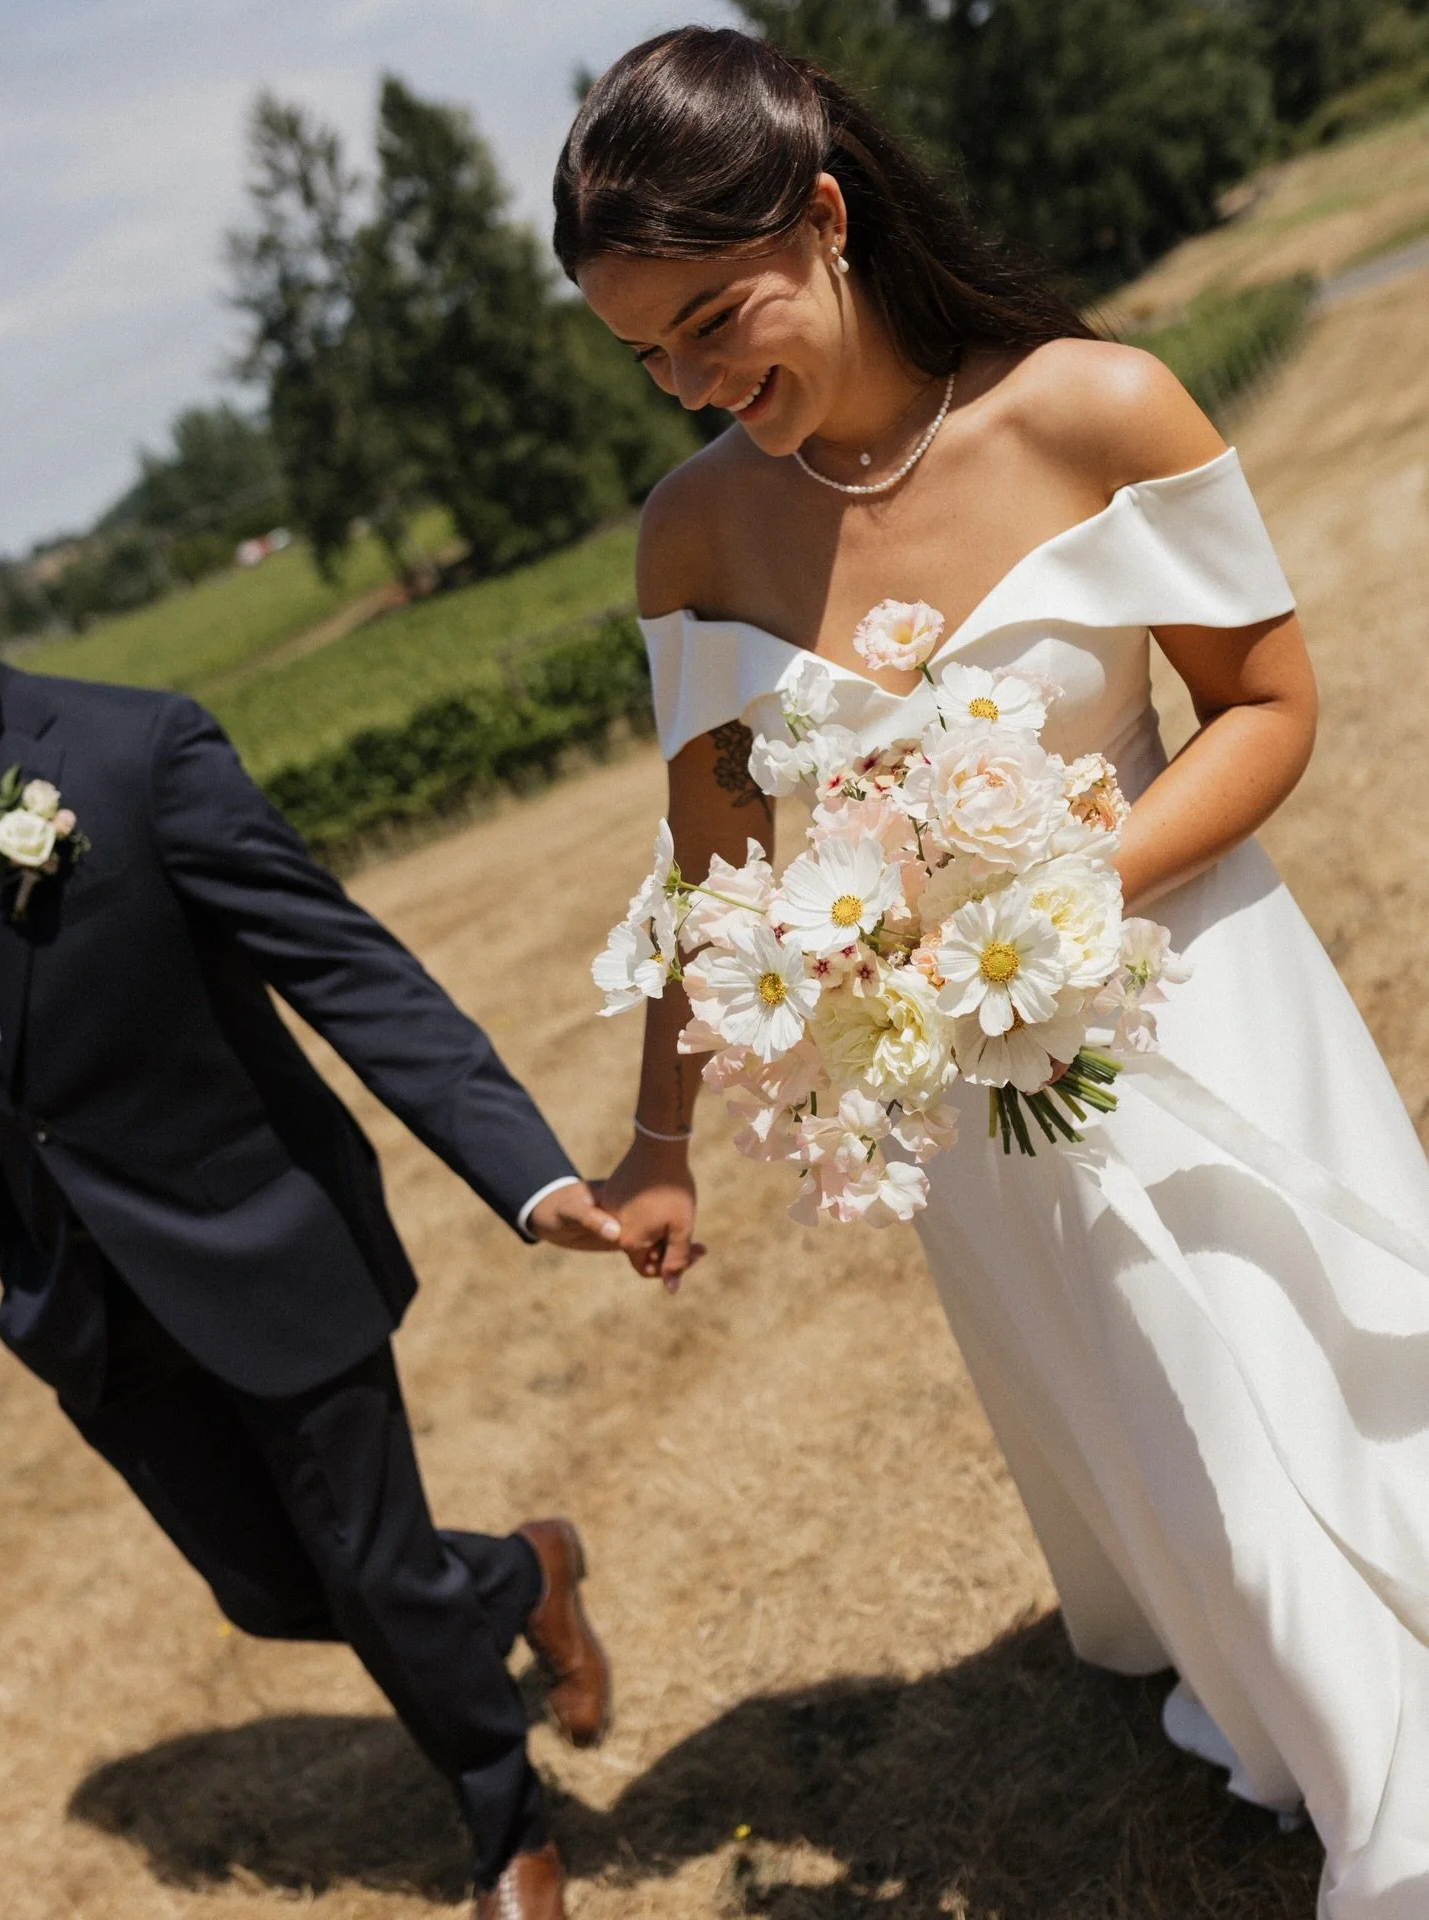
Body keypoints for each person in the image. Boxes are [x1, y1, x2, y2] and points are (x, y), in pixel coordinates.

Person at [554, 26, 1429, 1918]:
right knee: (1160, 1430)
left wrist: (1062, 891)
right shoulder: (694, 534)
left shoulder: (1097, 408)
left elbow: (1269, 708)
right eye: (652, 357)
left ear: (825, 216)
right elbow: (716, 869)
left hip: (1194, 991)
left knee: (1265, 1379)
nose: (695, 381)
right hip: (964, 1091)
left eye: (714, 318)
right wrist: (660, 1144)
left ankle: (1398, 1813)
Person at [0, 656, 620, 1920]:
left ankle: (507, 1826)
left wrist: (529, 1176)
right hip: (78, 1298)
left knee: (375, 1579)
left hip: (261, 1242)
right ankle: (520, 1574)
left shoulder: (136, 752)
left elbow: (345, 967)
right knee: (272, 1596)